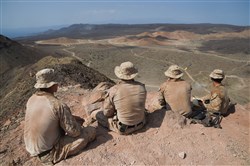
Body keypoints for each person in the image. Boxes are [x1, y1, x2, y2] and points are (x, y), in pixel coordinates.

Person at [24, 68, 96, 165]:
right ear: (53, 85)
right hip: (49, 153)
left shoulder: (31, 99)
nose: (58, 84)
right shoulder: (58, 105)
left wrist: (72, 118)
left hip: (32, 148)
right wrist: (79, 125)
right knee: (90, 131)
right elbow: (75, 132)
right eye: (56, 82)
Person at [88, 61, 147, 135]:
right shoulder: (142, 87)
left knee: (95, 114)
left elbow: (107, 114)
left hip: (124, 128)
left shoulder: (114, 90)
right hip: (141, 123)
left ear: (120, 75)